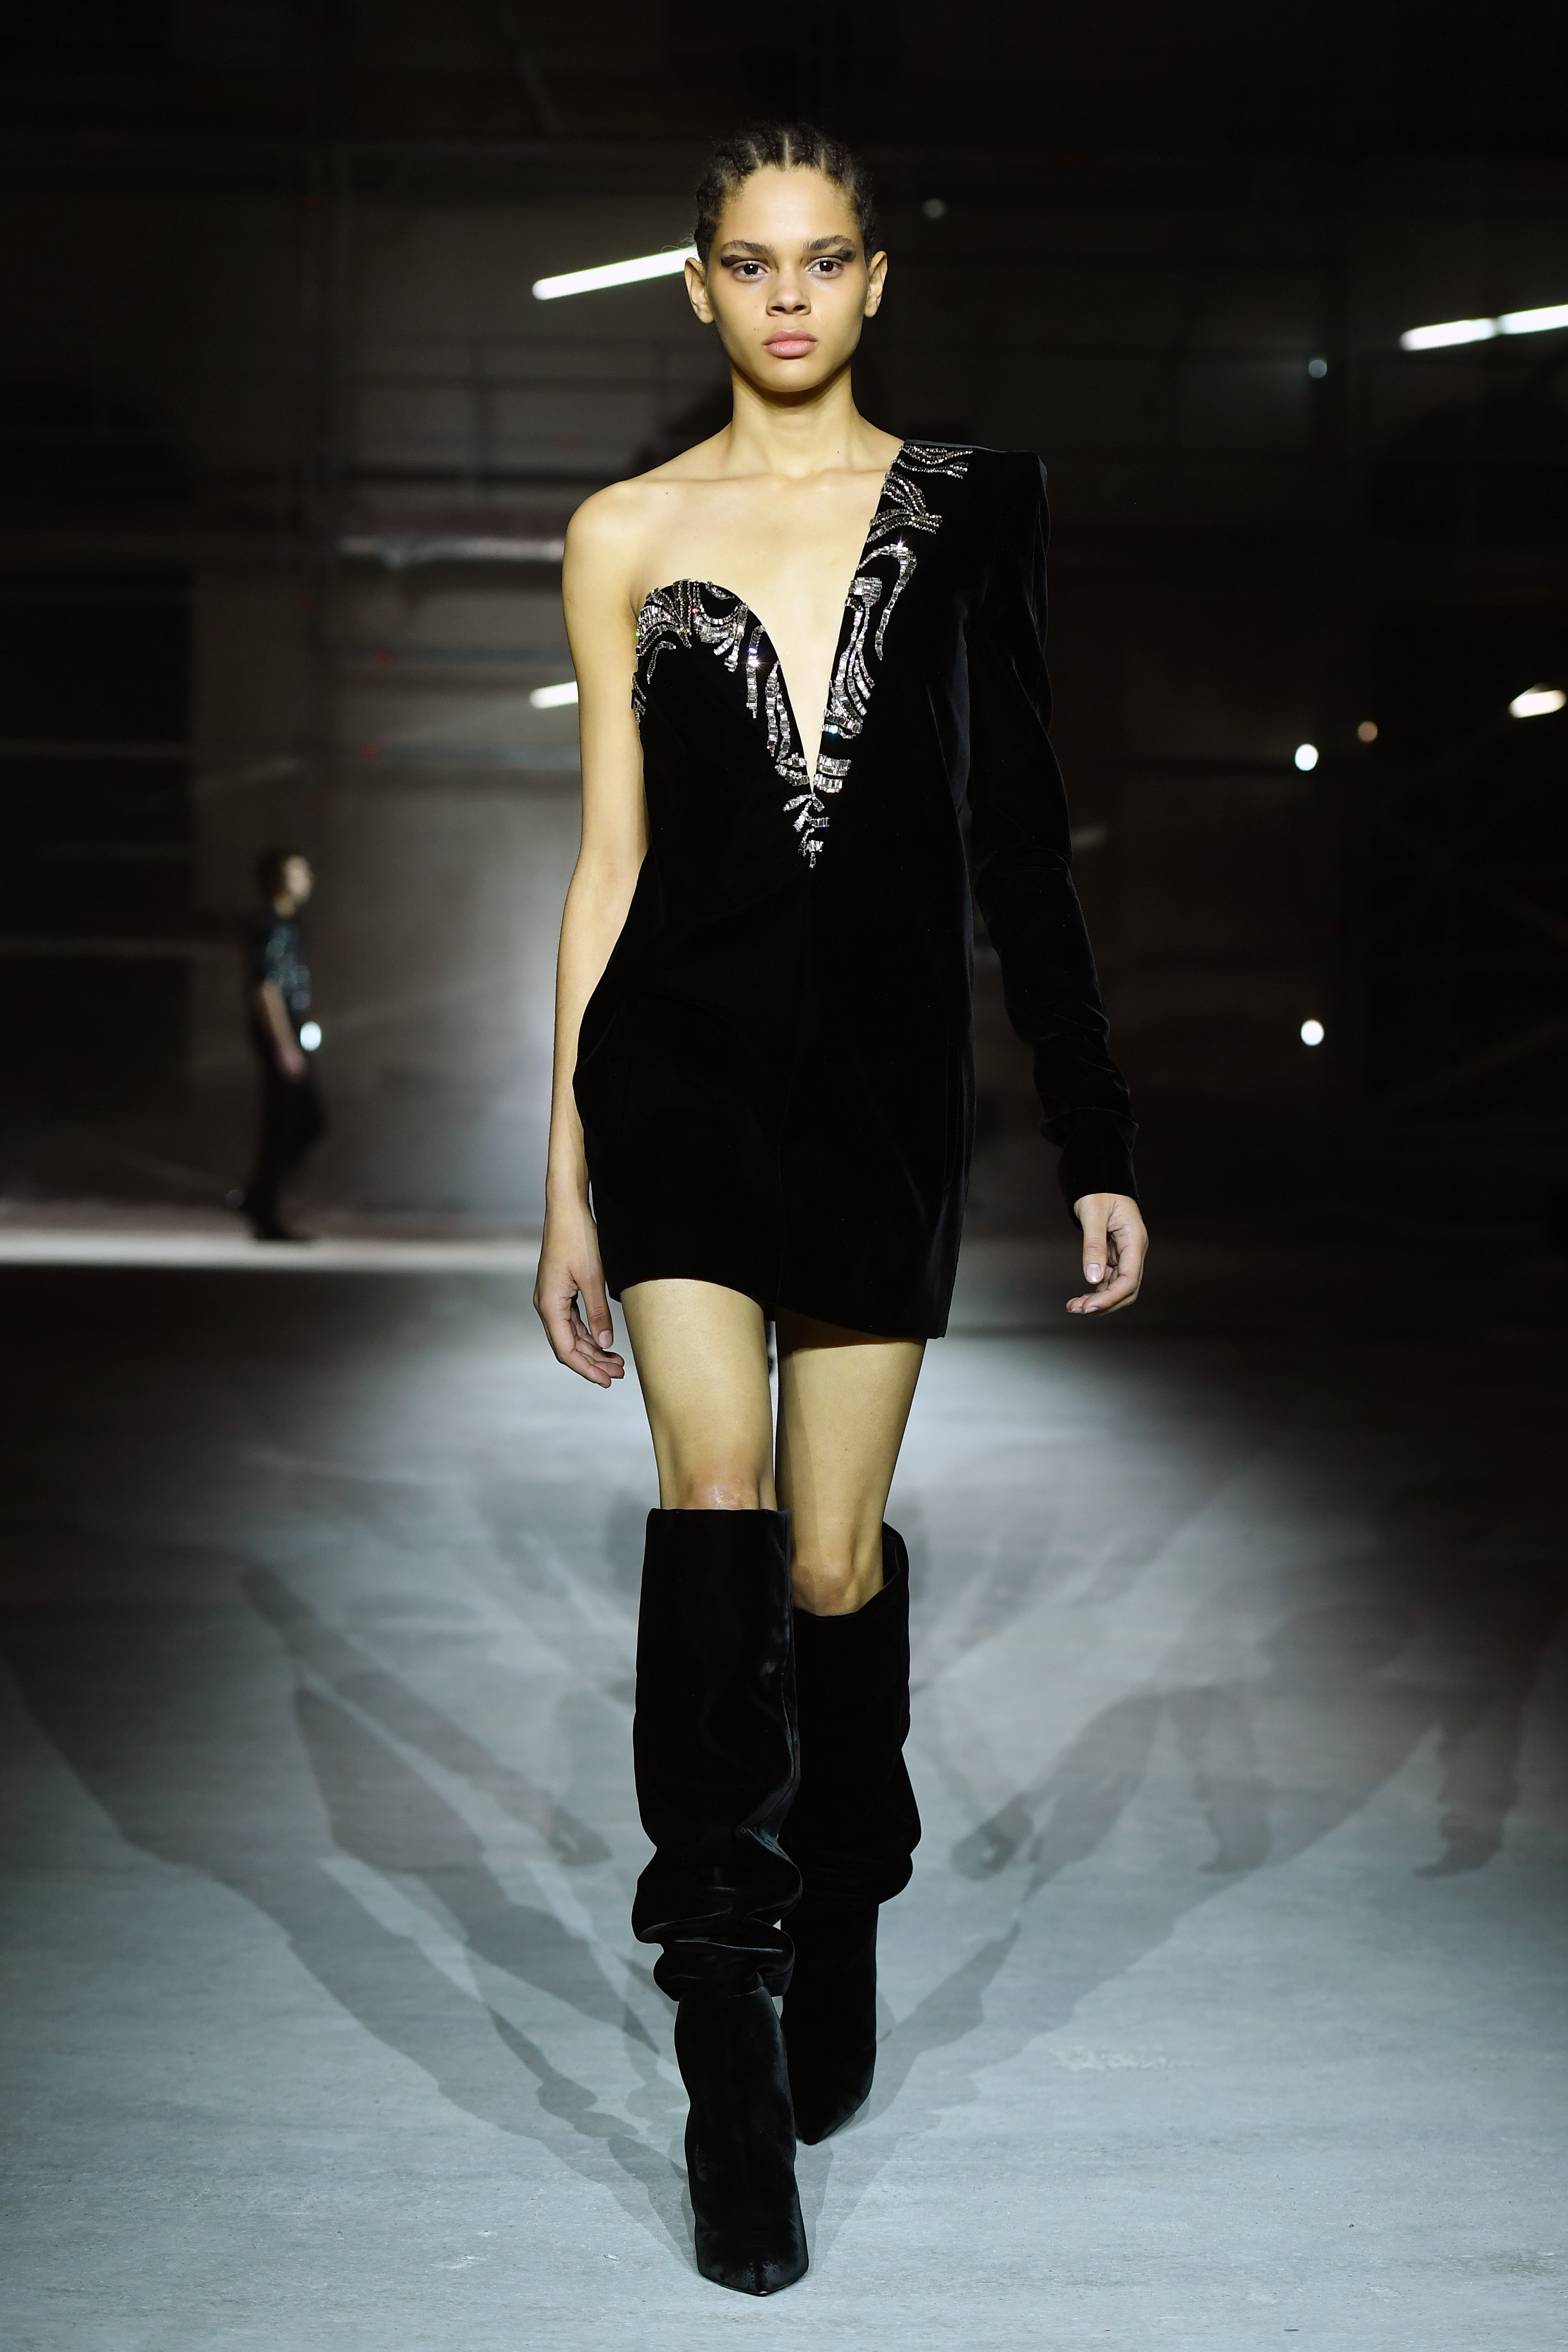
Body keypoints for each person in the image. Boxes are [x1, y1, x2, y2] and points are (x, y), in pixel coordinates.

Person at [533, 122, 1146, 2297]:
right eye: (745, 260)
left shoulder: (978, 506)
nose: (783, 294)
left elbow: (1018, 839)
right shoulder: (623, 530)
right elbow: (609, 863)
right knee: (707, 1502)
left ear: (875, 279)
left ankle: (844, 1871)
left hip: (882, 1093)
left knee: (823, 1553)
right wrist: (562, 1180)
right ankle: (722, 2001)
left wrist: (1091, 1129)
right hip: (676, 1081)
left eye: (819, 259)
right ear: (695, 283)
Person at [235, 848, 324, 1242]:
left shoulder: (289, 926)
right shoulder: (269, 926)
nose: (307, 880)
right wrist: (284, 1044)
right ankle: (262, 1204)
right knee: (288, 1122)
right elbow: (267, 988)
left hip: (292, 1030)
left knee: (302, 1121)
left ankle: (259, 1196)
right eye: (298, 872)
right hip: (280, 1034)